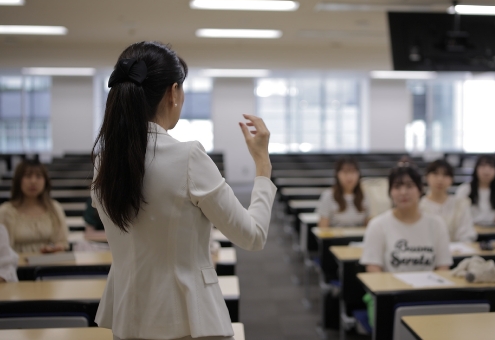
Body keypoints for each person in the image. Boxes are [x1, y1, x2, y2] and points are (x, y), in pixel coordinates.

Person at [91, 41, 276, 340]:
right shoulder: (188, 157)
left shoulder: (103, 162)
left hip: (127, 319)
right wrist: (262, 167)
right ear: (173, 93)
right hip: (190, 321)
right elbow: (252, 235)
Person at [360, 164, 452, 273]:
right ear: (390, 192)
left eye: (409, 186)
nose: (403, 192)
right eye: (397, 187)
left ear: (420, 190)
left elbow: (443, 266)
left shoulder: (437, 224)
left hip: (429, 288)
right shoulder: (377, 225)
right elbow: (373, 267)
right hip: (391, 288)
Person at [0, 160, 69, 254]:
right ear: (18, 180)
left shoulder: (54, 208)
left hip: (50, 264)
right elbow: (3, 250)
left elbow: (62, 241)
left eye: (39, 176)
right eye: (28, 176)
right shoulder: (6, 211)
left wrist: (56, 248)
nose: (33, 181)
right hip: (17, 266)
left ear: (45, 181)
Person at [420, 160, 477, 242]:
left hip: (457, 252)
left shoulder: (460, 204)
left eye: (445, 175)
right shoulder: (418, 205)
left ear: (452, 180)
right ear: (427, 177)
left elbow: (467, 234)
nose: (440, 179)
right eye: (435, 174)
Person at [455, 156, 495, 225]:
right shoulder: (464, 189)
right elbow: (458, 213)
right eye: (483, 166)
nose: (486, 170)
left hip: (493, 229)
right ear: (476, 169)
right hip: (470, 229)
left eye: (491, 167)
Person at [317, 157, 369, 227]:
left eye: (353, 172)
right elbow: (323, 228)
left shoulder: (364, 196)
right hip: (335, 237)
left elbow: (368, 225)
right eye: (345, 172)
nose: (349, 177)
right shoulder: (328, 196)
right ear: (337, 175)